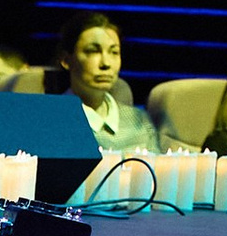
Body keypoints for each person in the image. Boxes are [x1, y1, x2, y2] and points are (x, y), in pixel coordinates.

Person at [59, 12, 158, 160]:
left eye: (114, 52)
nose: (106, 63)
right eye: (93, 51)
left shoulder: (140, 121)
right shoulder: (54, 121)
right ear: (66, 60)